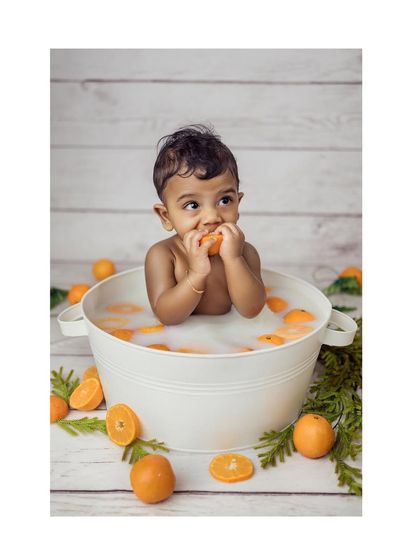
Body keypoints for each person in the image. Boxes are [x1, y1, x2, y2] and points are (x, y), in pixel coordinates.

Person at [145, 124, 266, 325]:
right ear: (166, 216)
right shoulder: (164, 255)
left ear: (238, 203)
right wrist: (196, 274)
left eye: (225, 200)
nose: (212, 217)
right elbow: (166, 316)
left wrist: (234, 260)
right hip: (177, 345)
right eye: (192, 205)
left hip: (229, 341)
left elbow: (252, 310)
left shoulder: (245, 253)